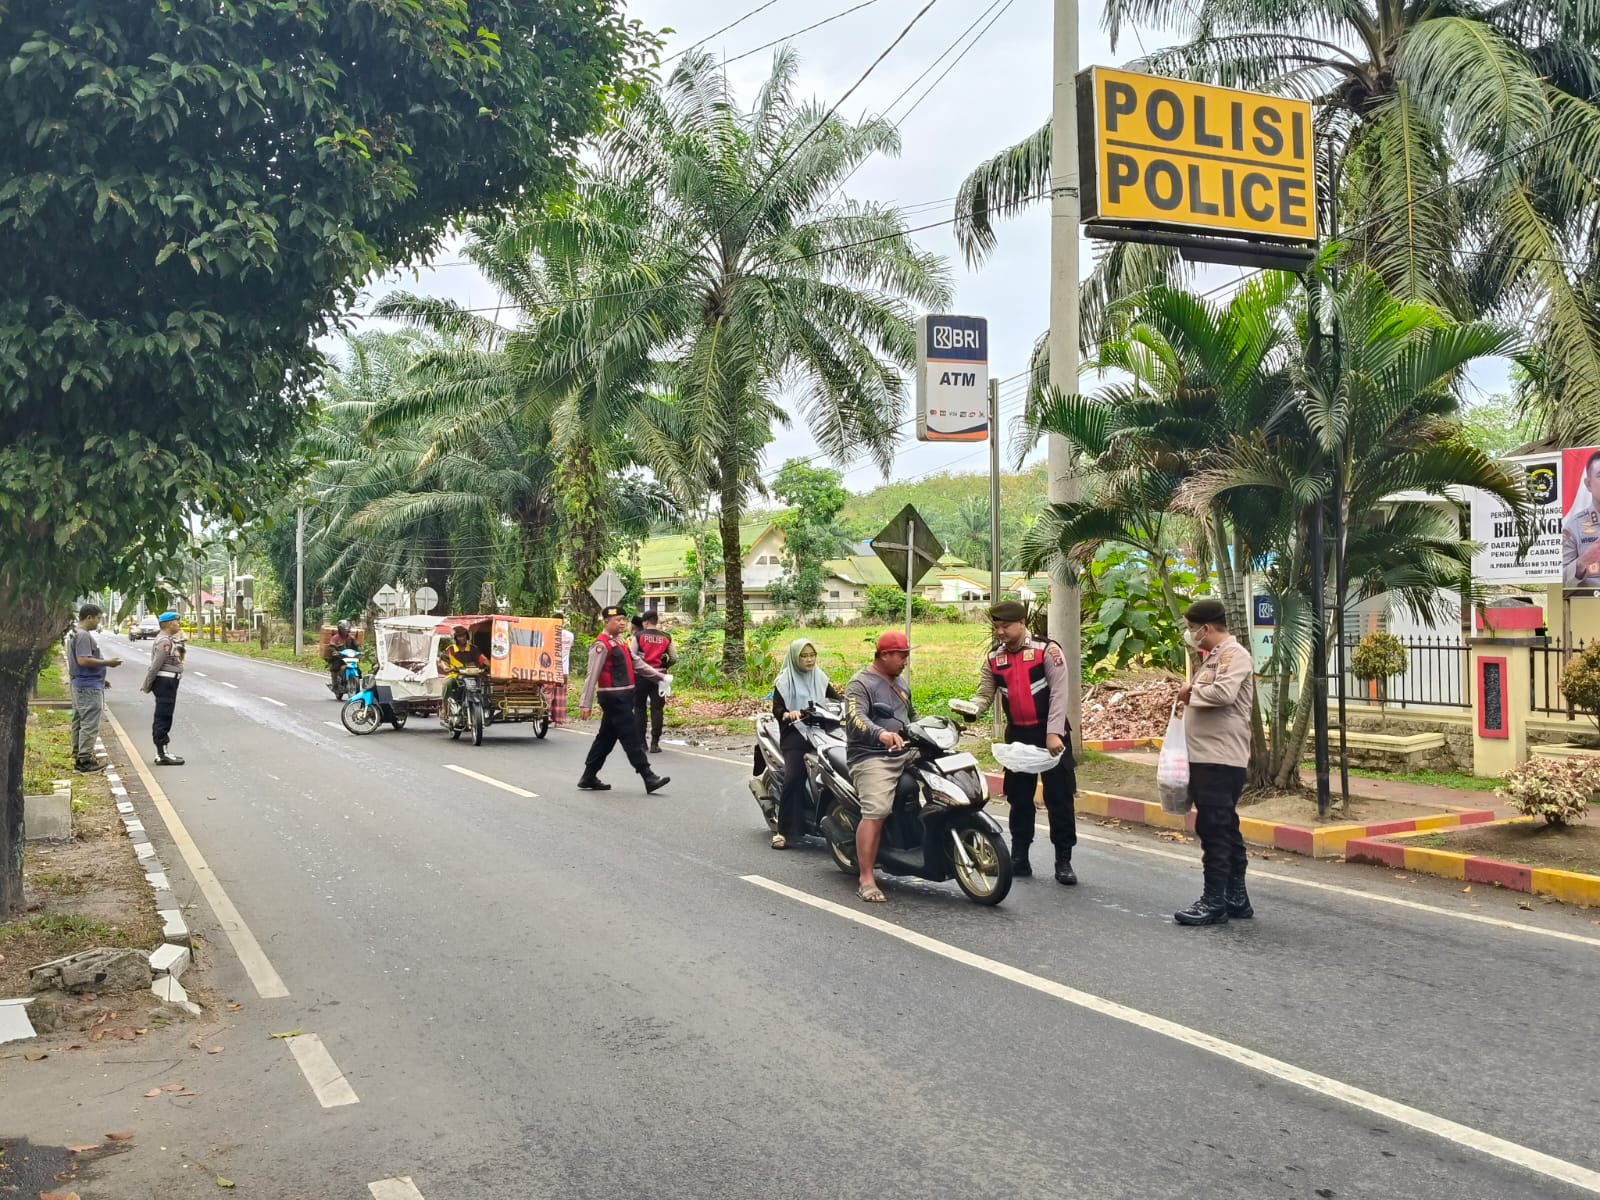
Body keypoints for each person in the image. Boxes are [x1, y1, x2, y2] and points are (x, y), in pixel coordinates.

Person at [968, 600, 1078, 884]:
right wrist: (972, 709)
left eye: (1005, 626)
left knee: (1059, 798)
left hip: (1050, 734)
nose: (1000, 632)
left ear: (1021, 623)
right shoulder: (994, 658)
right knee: (1019, 799)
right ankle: (1019, 857)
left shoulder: (1047, 651)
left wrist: (1054, 733)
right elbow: (985, 693)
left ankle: (1063, 860)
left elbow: (1058, 694)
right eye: (996, 627)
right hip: (1018, 735)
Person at [1173, 598, 1256, 927]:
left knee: (1214, 829)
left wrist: (1189, 693)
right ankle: (1236, 897)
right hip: (1207, 757)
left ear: (1205, 628)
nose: (1190, 635)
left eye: (1192, 629)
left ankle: (1214, 900)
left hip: (1221, 758)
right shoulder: (1214, 658)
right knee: (1224, 827)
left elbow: (1223, 694)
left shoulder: (1234, 656)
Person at [843, 631, 916, 904]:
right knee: (877, 809)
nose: (905, 661)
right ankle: (866, 878)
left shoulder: (901, 684)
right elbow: (855, 718)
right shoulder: (859, 684)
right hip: (871, 755)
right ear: (884, 654)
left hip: (904, 749)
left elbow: (911, 716)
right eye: (902, 656)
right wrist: (880, 735)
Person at [578, 606, 670, 794]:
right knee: (631, 736)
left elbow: (637, 663)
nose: (621, 622)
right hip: (613, 697)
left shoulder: (621, 642)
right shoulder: (601, 645)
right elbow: (591, 675)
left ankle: (588, 775)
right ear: (606, 622)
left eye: (623, 619)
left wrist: (660, 677)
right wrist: (585, 704)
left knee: (605, 738)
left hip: (625, 696)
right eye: (617, 620)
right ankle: (648, 776)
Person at [769, 637, 844, 850]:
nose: (810, 660)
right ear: (795, 658)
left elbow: (835, 700)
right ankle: (782, 831)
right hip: (796, 734)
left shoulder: (820, 677)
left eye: (812, 655)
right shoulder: (784, 681)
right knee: (794, 777)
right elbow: (777, 708)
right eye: (804, 656)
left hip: (822, 732)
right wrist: (786, 714)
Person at [67, 603, 121, 772]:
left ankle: (79, 755)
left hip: (81, 683)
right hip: (88, 686)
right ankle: (84, 760)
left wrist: (101, 677)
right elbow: (83, 660)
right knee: (90, 722)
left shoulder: (74, 633)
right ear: (89, 617)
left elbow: (77, 662)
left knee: (80, 721)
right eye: (98, 618)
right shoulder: (83, 635)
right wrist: (108, 663)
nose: (99, 622)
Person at [140, 611, 186, 766]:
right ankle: (162, 753)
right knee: (163, 716)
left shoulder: (169, 640)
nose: (178, 624)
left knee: (165, 714)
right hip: (165, 682)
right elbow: (156, 665)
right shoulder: (164, 642)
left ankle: (163, 752)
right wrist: (147, 683)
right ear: (168, 624)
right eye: (176, 621)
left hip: (169, 681)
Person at [632, 610, 676, 754]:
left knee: (639, 708)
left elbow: (632, 656)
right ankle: (655, 743)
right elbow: (674, 658)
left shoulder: (638, 636)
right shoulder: (666, 637)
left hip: (641, 676)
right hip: (660, 677)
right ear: (656, 621)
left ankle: (641, 743)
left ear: (645, 622)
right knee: (657, 709)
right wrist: (665, 666)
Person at [1564, 450, 1600, 586]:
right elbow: (1558, 581)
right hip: (1588, 605)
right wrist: (1582, 562)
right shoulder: (1574, 527)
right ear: (1588, 484)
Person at [437, 625, 487, 713]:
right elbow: (442, 661)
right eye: (459, 636)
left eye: (464, 635)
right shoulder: (450, 649)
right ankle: (444, 707)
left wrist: (490, 665)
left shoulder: (473, 649)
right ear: (455, 638)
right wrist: (445, 667)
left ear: (467, 636)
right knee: (447, 684)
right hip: (455, 676)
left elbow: (483, 659)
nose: (462, 638)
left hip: (472, 676)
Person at [324, 619, 359, 690]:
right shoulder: (335, 638)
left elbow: (357, 646)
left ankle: (354, 679)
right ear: (340, 629)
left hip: (349, 657)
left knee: (358, 667)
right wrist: (334, 651)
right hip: (338, 658)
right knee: (334, 668)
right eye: (344, 630)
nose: (346, 631)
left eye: (347, 630)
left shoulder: (351, 638)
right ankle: (335, 684)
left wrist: (360, 651)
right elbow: (331, 646)